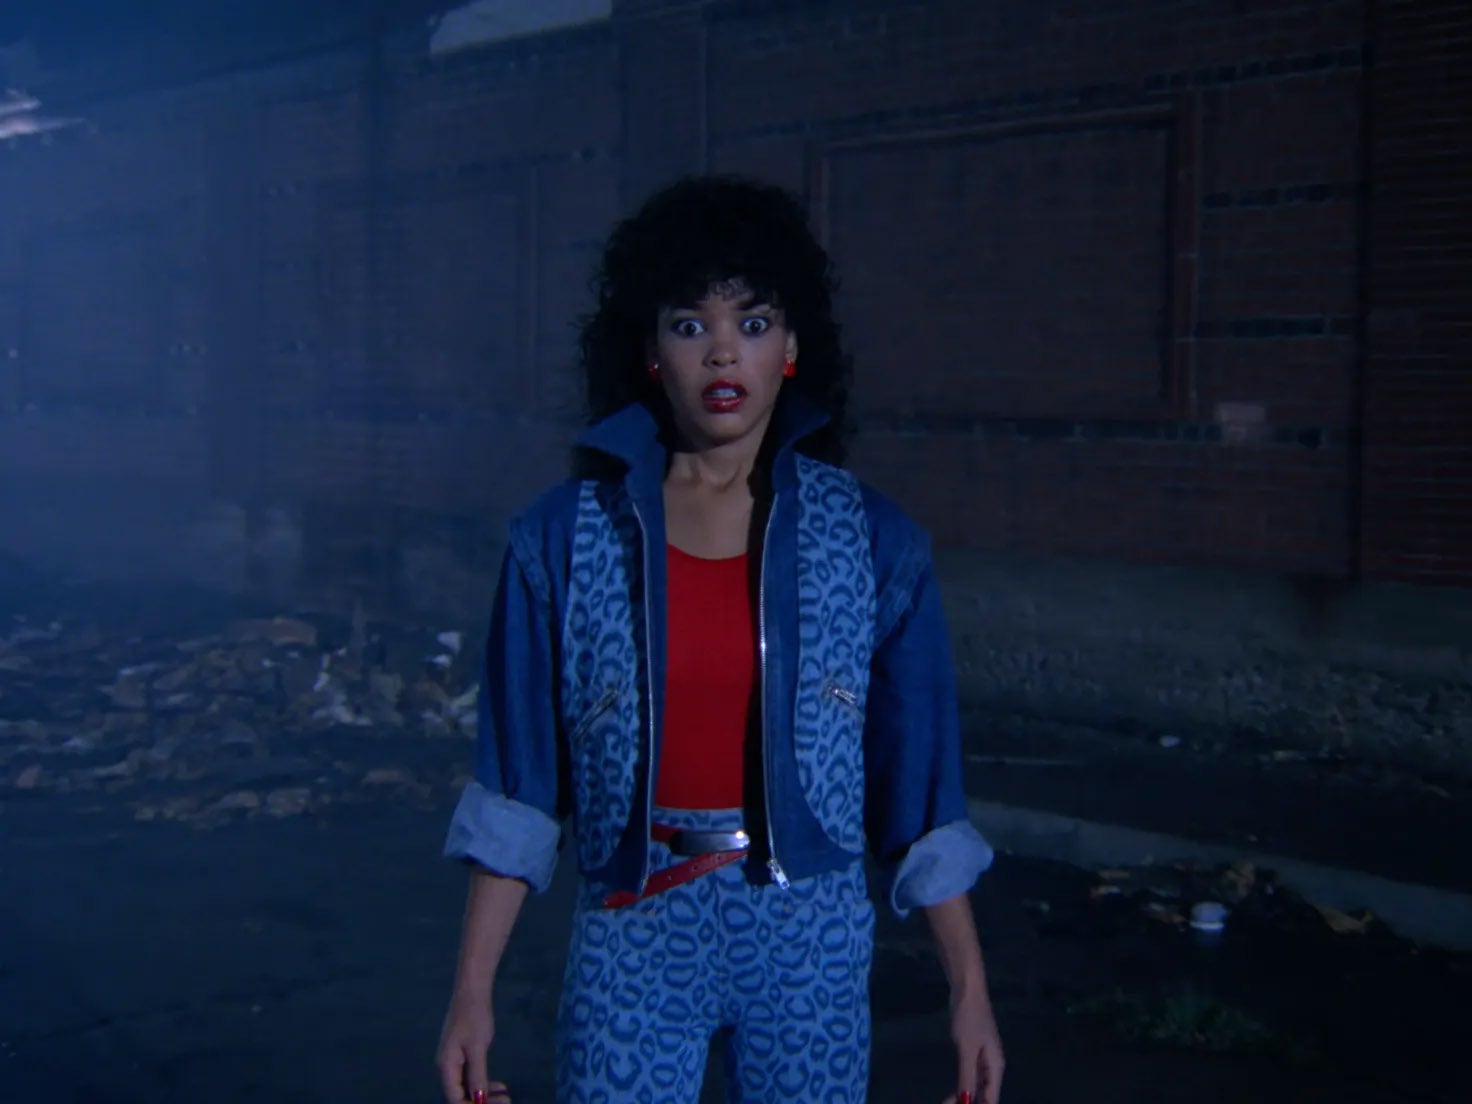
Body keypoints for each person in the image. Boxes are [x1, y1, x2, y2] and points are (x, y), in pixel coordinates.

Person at [435, 175, 1004, 1104]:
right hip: (632, 933)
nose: (723, 351)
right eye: (690, 324)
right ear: (650, 352)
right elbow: (519, 788)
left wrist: (971, 995)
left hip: (809, 941)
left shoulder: (871, 541)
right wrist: (470, 997)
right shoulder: (566, 538)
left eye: (754, 320)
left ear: (792, 347)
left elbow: (920, 792)